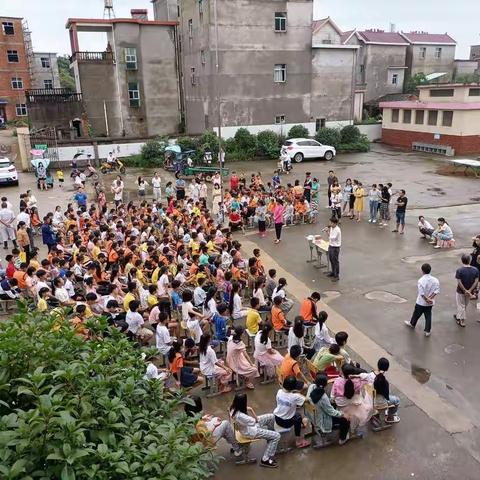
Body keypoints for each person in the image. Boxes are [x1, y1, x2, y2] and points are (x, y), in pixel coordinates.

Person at [229, 393, 280, 468]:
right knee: (277, 436)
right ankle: (265, 459)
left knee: (271, 416)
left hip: (246, 428)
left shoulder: (232, 409)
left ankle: (270, 441)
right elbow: (256, 420)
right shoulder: (242, 416)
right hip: (251, 432)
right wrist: (251, 410)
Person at [306, 373, 351, 445]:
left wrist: (330, 401)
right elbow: (331, 412)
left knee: (333, 404)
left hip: (313, 414)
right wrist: (343, 414)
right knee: (346, 419)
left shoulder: (311, 387)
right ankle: (343, 438)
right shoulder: (323, 397)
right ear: (325, 384)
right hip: (322, 420)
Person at [331, 364, 374, 434]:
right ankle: (353, 428)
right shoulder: (357, 381)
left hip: (340, 404)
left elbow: (332, 395)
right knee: (361, 400)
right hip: (352, 403)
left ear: (342, 372)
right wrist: (358, 376)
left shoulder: (337, 381)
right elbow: (370, 378)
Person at [273, 376, 310, 448]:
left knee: (296, 414)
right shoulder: (295, 396)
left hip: (277, 418)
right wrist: (299, 393)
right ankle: (298, 441)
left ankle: (302, 423)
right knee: (298, 417)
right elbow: (307, 400)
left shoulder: (279, 392)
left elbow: (288, 395)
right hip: (286, 422)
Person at [404, 263, 440, 337]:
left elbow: (422, 293)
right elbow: (436, 291)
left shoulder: (421, 280)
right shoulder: (435, 280)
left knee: (416, 314)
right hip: (430, 302)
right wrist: (430, 298)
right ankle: (427, 331)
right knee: (428, 316)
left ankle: (412, 324)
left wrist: (426, 299)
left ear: (422, 271)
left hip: (421, 302)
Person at [454, 254, 479, 328]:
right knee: (465, 305)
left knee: (461, 305)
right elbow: (476, 281)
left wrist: (465, 290)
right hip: (470, 291)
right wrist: (470, 290)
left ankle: (461, 320)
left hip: (460, 291)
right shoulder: (475, 270)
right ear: (470, 260)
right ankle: (459, 316)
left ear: (462, 261)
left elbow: (459, 281)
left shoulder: (459, 270)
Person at [373, 358, 400, 424]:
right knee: (397, 400)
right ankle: (390, 416)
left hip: (371, 400)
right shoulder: (383, 381)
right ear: (387, 368)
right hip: (380, 402)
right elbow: (386, 395)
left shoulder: (372, 375)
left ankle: (381, 412)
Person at [326, 217, 341, 282]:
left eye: (331, 222)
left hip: (335, 247)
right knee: (331, 259)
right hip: (331, 245)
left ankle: (336, 275)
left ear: (334, 223)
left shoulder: (337, 230)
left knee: (335, 261)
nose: (330, 224)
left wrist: (327, 232)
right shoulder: (332, 227)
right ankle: (333, 272)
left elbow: (332, 238)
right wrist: (328, 228)